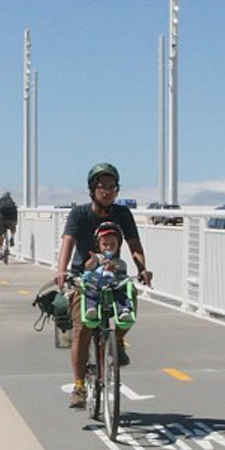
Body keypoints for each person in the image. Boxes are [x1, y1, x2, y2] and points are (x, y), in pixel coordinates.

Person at [55, 163, 153, 409]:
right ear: (92, 189)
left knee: (128, 308)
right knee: (82, 329)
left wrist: (142, 269)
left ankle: (117, 340)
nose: (108, 192)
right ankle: (79, 385)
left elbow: (134, 245)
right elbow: (68, 243)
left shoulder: (123, 214)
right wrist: (61, 271)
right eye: (102, 186)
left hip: (114, 275)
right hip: (84, 277)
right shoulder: (79, 214)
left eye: (112, 187)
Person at [80, 221, 135, 329]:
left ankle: (123, 311)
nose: (108, 247)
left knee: (121, 293)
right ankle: (92, 309)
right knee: (91, 292)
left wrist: (112, 267)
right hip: (97, 285)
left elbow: (122, 275)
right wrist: (92, 260)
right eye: (105, 244)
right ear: (98, 245)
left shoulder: (119, 262)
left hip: (113, 287)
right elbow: (87, 268)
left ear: (118, 245)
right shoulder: (98, 257)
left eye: (112, 244)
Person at [0, 191, 18, 257]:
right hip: (11, 221)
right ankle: (12, 237)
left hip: (1, 221)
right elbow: (16, 214)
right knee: (13, 227)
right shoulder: (12, 203)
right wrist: (15, 222)